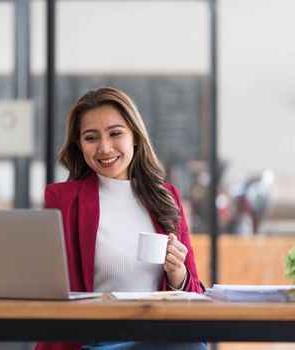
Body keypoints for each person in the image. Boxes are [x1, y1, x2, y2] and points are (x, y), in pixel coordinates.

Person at [36, 87, 206, 350]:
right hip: (94, 338)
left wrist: (178, 275)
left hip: (156, 333)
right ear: (79, 145)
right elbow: (46, 283)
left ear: (135, 137)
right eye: (91, 137)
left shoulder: (166, 198)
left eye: (115, 133)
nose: (104, 148)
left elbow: (194, 294)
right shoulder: (63, 199)